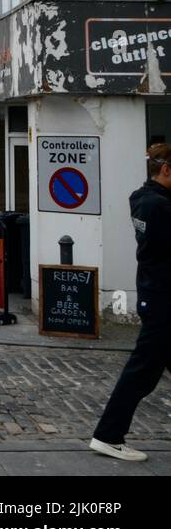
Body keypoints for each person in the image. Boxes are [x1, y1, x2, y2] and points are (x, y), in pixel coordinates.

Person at [89, 144, 171, 462]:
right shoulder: (157, 206)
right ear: (165, 170)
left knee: (143, 372)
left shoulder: (143, 198)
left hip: (156, 296)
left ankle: (108, 434)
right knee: (140, 373)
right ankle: (108, 435)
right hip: (163, 300)